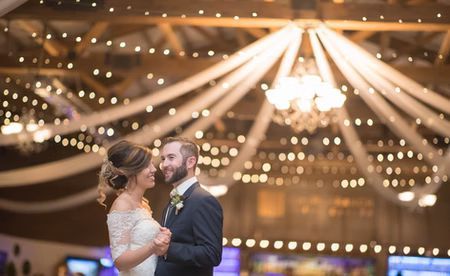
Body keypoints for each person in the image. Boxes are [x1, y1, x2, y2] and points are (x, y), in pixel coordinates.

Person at [97, 140, 172, 275]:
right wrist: (153, 246)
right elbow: (120, 261)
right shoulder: (122, 204)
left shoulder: (143, 204)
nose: (153, 169)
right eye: (147, 165)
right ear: (131, 171)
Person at [155, 136, 223, 276]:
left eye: (171, 157)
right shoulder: (175, 199)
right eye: (163, 159)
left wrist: (168, 250)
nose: (164, 164)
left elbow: (212, 254)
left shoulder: (203, 200)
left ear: (190, 162)